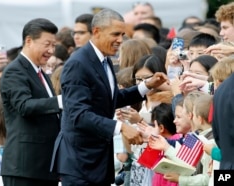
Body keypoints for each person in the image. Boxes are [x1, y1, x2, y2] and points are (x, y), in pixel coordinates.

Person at [50, 8, 167, 186]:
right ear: (96, 31)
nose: (120, 40)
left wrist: (146, 86)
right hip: (80, 163)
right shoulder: (78, 64)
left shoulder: (103, 60)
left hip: (96, 161)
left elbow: (109, 99)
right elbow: (79, 114)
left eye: (122, 34)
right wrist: (120, 127)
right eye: (115, 34)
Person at [0, 18, 62, 186]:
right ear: (28, 41)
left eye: (54, 46)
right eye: (47, 44)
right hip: (24, 167)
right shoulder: (15, 71)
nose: (51, 50)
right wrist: (61, 101)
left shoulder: (41, 74)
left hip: (45, 167)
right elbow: (24, 106)